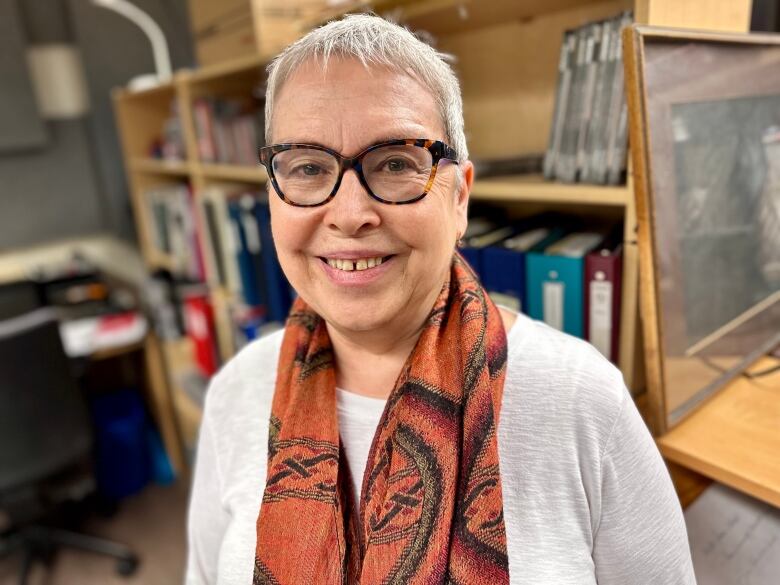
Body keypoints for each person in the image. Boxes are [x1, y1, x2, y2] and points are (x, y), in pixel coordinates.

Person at [186, 14, 695, 585]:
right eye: (307, 166)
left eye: (397, 162)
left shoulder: (581, 400)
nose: (351, 214)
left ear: (460, 198)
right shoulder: (235, 394)